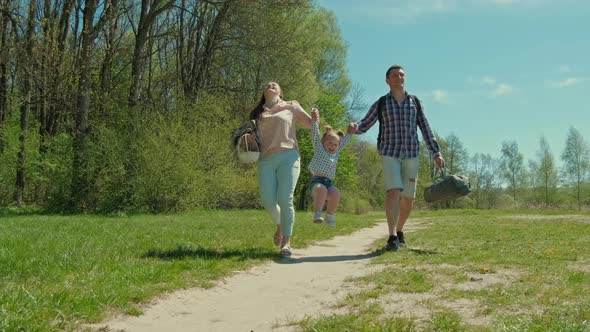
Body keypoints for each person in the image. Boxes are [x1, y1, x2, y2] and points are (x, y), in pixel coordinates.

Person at [347, 65, 445, 252]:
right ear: (388, 80)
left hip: (411, 154)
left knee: (408, 198)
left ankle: (400, 230)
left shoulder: (415, 102)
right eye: (395, 75)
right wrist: (355, 127)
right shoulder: (382, 103)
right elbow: (366, 123)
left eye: (402, 75)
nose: (399, 77)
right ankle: (392, 236)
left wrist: (436, 153)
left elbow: (426, 128)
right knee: (393, 191)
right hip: (389, 153)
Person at [249, 82, 312, 257]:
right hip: (265, 159)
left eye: (274, 84)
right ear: (264, 92)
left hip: (288, 156)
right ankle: (280, 224)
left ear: (280, 92)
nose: (270, 85)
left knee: (286, 199)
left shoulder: (291, 106)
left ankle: (286, 242)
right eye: (267, 84)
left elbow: (310, 124)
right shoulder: (258, 113)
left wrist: (314, 117)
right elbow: (252, 139)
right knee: (268, 202)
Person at [307, 108, 352, 227]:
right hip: (316, 182)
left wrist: (350, 133)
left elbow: (344, 142)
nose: (332, 146)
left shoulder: (336, 153)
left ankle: (330, 217)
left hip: (329, 183)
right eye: (329, 143)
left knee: (336, 193)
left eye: (335, 144)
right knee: (322, 190)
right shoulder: (319, 148)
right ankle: (317, 214)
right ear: (323, 142)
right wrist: (314, 120)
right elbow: (315, 134)